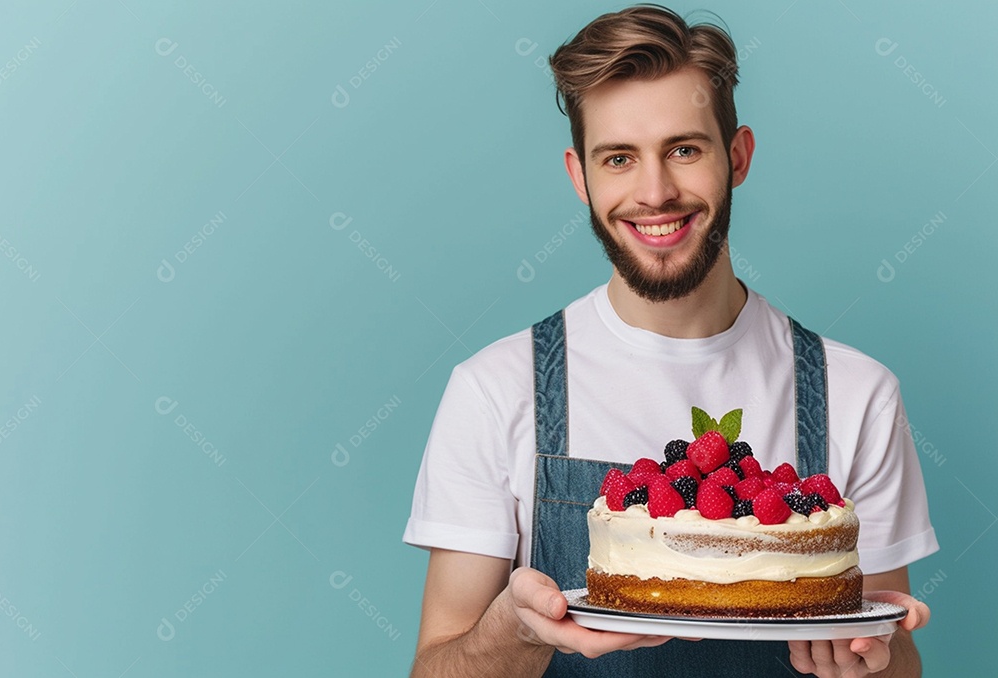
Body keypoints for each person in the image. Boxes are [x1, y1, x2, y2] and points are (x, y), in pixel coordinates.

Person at [402, 5, 938, 677]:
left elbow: (900, 658)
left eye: (684, 149)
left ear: (737, 156)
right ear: (581, 177)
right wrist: (517, 630)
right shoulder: (493, 390)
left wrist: (868, 666)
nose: (655, 192)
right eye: (619, 158)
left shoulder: (859, 393)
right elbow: (435, 668)